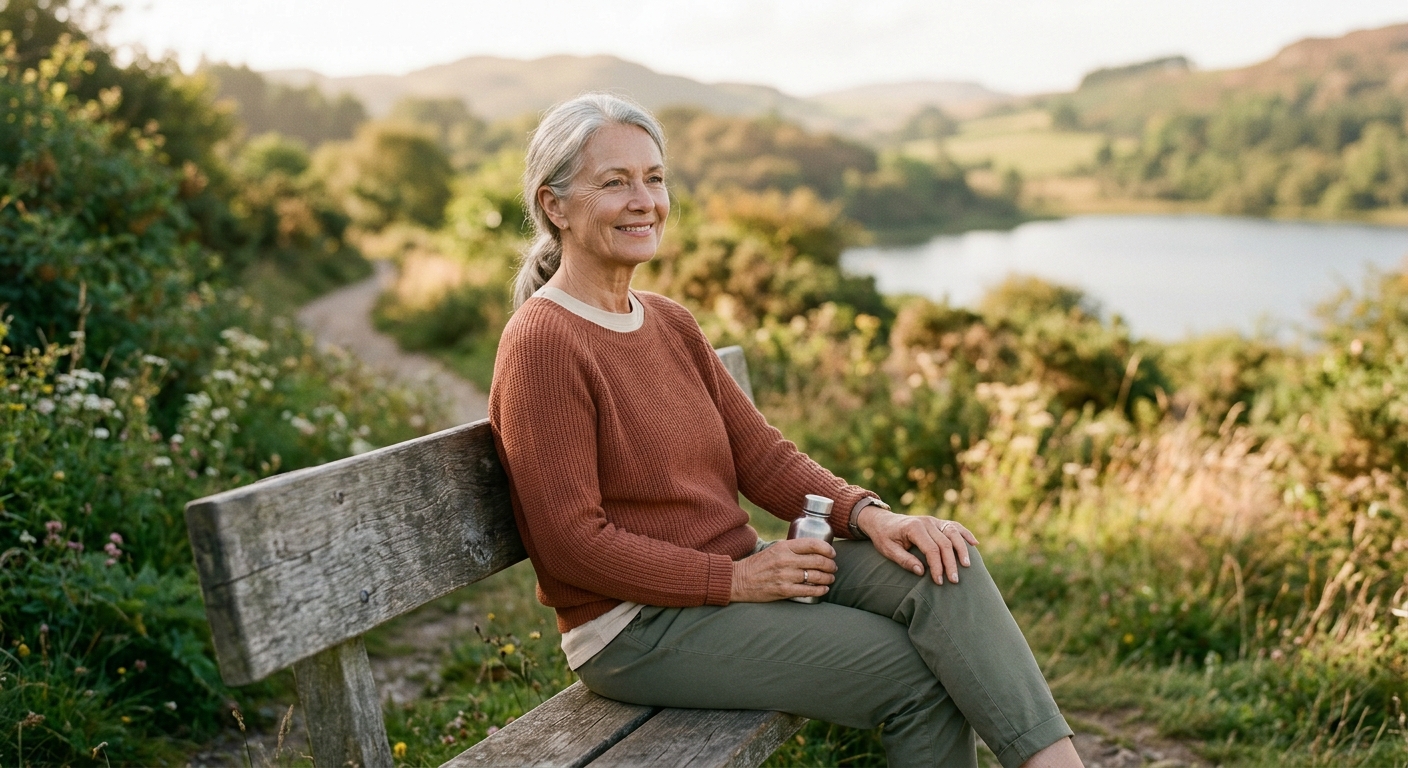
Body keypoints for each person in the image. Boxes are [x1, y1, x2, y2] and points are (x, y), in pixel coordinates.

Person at [488, 92, 1083, 768]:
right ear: (554, 205)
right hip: (636, 629)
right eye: (615, 182)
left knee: (941, 564)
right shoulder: (543, 340)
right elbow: (572, 546)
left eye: (654, 178)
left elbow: (761, 458)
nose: (644, 200)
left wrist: (871, 516)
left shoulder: (667, 320)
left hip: (729, 581)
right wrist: (737, 582)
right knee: (920, 679)